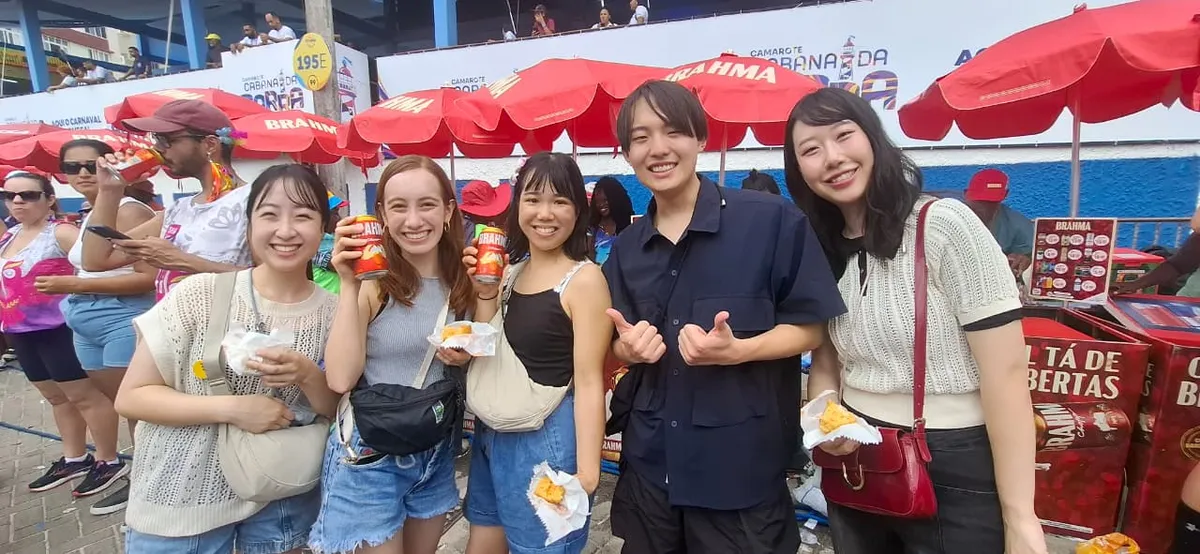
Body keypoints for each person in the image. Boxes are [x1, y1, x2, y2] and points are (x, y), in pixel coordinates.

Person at [785, 87, 1047, 554]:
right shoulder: (823, 249)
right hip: (857, 459)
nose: (832, 158)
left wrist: (1021, 519)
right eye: (811, 149)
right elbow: (826, 363)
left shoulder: (944, 224)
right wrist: (827, 426)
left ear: (872, 139)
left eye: (844, 135)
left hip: (952, 461)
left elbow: (1006, 375)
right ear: (798, 171)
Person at [603, 80, 845, 553]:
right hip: (650, 470)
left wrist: (742, 350)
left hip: (740, 476)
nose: (658, 149)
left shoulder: (771, 222)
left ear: (701, 138)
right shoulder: (626, 249)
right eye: (640, 137)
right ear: (626, 153)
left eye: (673, 131)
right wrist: (624, 349)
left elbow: (815, 328)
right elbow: (611, 341)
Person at [114, 164, 340, 553]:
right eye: (269, 215)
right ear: (249, 224)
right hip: (182, 501)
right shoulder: (199, 294)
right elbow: (132, 397)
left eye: (303, 216)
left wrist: (306, 373)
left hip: (281, 498)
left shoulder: (335, 311)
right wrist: (234, 408)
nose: (285, 230)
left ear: (322, 229)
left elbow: (335, 409)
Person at [310, 156, 473, 554]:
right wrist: (348, 285)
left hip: (435, 449)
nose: (413, 220)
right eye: (398, 206)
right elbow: (340, 379)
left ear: (449, 210)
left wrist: (466, 359)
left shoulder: (465, 282)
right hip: (371, 455)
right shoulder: (374, 283)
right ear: (381, 213)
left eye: (428, 204)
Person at [461, 152, 610, 554]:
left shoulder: (584, 280)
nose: (545, 213)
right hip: (492, 432)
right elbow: (486, 346)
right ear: (517, 205)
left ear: (578, 210)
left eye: (560, 201)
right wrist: (486, 293)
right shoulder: (511, 271)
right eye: (533, 199)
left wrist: (589, 472)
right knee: (483, 540)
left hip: (547, 439)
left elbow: (591, 381)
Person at [43, 139, 158, 515]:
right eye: (72, 167)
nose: (82, 174)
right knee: (124, 406)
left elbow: (148, 276)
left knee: (140, 406)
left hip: (121, 314)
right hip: (85, 314)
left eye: (92, 166)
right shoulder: (94, 210)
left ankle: (151, 480)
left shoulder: (127, 211)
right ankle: (141, 472)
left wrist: (77, 285)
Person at [0, 172, 128, 498]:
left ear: (49, 199)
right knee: (56, 397)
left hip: (59, 328)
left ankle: (108, 460)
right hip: (20, 330)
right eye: (9, 195)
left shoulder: (62, 233)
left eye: (28, 195)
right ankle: (74, 457)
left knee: (85, 397)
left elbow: (95, 264)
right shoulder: (8, 236)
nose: (17, 202)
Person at [83, 99, 252, 303]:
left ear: (209, 144)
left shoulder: (255, 200)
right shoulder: (179, 209)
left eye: (165, 140)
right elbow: (96, 260)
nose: (158, 149)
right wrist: (110, 190)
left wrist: (182, 261)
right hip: (175, 330)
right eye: (155, 139)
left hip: (231, 331)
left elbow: (280, 279)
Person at [963, 168, 1034, 274]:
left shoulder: (1018, 225)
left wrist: (1024, 259)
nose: (984, 208)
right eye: (979, 201)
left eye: (991, 203)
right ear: (966, 195)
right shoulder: (950, 217)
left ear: (1005, 195)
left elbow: (1033, 256)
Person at [587, 176, 633, 264]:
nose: (601, 205)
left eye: (605, 200)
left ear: (616, 199)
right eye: (597, 201)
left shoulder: (630, 226)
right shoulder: (591, 229)